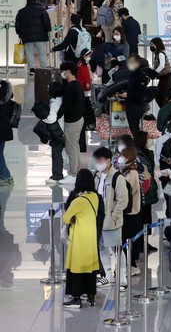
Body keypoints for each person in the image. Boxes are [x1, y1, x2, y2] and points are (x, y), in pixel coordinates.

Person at [62, 168, 101, 309]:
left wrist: (72, 217)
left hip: (79, 238)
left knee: (76, 267)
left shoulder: (78, 201)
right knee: (89, 268)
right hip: (91, 237)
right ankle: (91, 296)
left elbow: (66, 218)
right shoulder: (95, 197)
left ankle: (76, 298)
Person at [93, 147, 129, 290]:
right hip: (99, 219)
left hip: (112, 220)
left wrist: (114, 216)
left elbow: (122, 200)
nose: (98, 163)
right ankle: (108, 276)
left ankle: (122, 278)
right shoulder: (97, 175)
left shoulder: (117, 177)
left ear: (108, 161)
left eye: (100, 160)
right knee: (101, 247)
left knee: (117, 249)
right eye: (96, 160)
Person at [117, 146, 145, 272]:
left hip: (132, 210)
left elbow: (129, 190)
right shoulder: (126, 170)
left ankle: (132, 265)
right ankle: (127, 264)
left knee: (129, 237)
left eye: (122, 155)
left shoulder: (132, 172)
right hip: (129, 210)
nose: (120, 158)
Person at [56, 62, 84, 184]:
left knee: (70, 148)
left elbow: (65, 105)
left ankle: (73, 174)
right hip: (78, 119)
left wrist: (56, 117)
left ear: (67, 71)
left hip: (72, 121)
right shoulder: (76, 85)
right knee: (75, 146)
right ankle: (76, 171)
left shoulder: (71, 87)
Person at [15, 0, 51, 73]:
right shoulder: (42, 10)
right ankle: (43, 68)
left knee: (29, 52)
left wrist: (19, 33)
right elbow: (46, 21)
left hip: (27, 36)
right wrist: (48, 29)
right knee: (41, 52)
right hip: (40, 35)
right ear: (36, 0)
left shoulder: (21, 11)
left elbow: (18, 23)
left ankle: (31, 69)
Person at [121, 55, 149, 138]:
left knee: (135, 128)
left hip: (136, 105)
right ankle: (139, 143)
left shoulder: (141, 76)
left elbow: (141, 92)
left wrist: (128, 94)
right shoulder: (131, 74)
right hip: (131, 104)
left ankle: (139, 144)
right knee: (133, 128)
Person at [150, 37, 171, 108]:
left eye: (152, 45)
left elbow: (161, 66)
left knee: (163, 97)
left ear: (157, 45)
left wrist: (153, 73)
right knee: (158, 96)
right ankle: (163, 110)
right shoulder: (157, 54)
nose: (151, 46)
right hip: (163, 79)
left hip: (167, 78)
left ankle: (165, 112)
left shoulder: (161, 53)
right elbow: (156, 66)